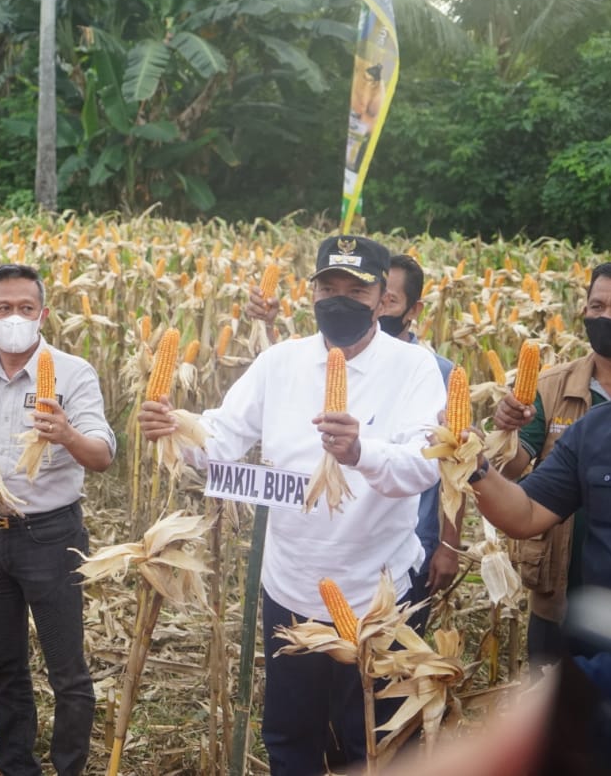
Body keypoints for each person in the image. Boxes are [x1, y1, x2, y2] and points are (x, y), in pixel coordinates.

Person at [140, 236, 444, 776]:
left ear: (381, 298)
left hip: (378, 594)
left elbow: (424, 465)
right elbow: (222, 439)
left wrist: (360, 451)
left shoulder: (413, 369)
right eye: (328, 288)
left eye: (356, 289)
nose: (340, 299)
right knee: (291, 736)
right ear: (311, 293)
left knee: (375, 742)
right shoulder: (278, 362)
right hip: (291, 588)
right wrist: (176, 433)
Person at [0, 264, 115, 776]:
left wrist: (65, 434)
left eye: (25, 308)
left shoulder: (73, 372)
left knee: (68, 671)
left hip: (50, 537)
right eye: (3, 309)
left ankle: (68, 768)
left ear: (42, 313)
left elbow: (102, 455)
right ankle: (16, 765)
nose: (14, 317)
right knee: (5, 665)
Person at [490, 260, 611, 666]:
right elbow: (514, 475)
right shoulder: (553, 387)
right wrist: (498, 439)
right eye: (597, 305)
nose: (607, 317)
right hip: (567, 592)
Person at [379, 254, 460, 632]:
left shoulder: (439, 372)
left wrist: (449, 545)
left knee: (398, 659)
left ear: (415, 309)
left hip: (416, 539)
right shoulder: (340, 362)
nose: (378, 308)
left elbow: (455, 464)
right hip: (353, 536)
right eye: (374, 296)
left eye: (390, 301)